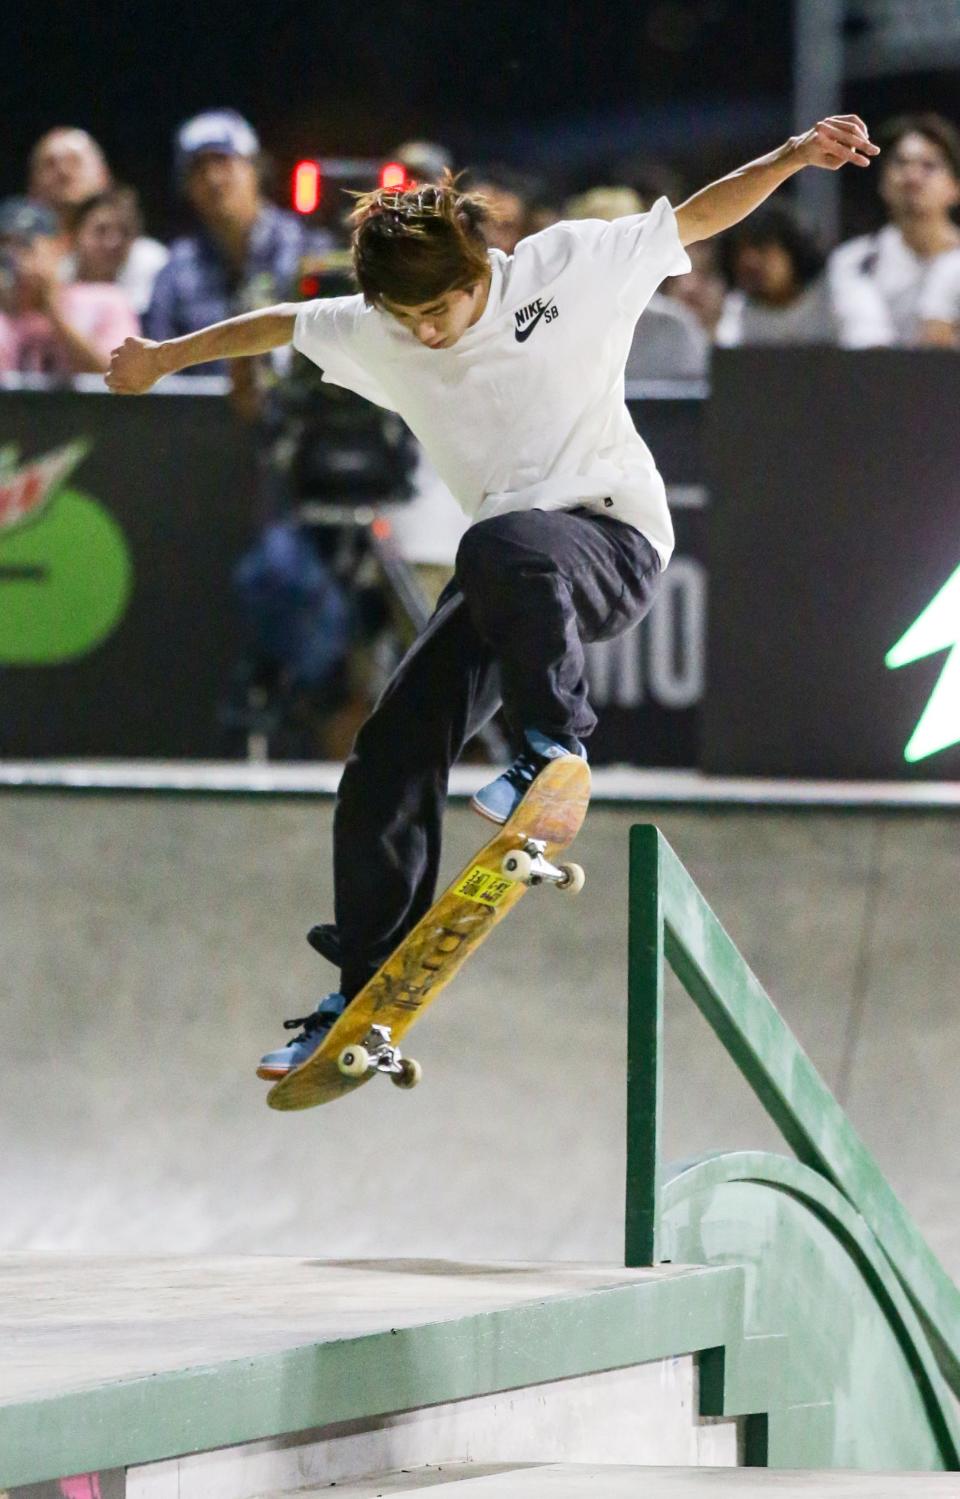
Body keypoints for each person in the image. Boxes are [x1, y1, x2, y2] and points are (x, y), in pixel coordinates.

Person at [106, 113, 879, 1078]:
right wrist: (159, 359)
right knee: (387, 752)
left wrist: (794, 156)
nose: (425, 333)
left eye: (441, 311)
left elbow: (696, 219)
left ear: (481, 269)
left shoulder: (567, 267)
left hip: (612, 541)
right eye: (408, 319)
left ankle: (555, 746)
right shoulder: (383, 326)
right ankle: (365, 985)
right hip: (505, 573)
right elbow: (277, 325)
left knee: (503, 540)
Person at [143, 109, 329, 377]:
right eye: (198, 168)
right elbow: (157, 363)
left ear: (254, 168)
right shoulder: (174, 271)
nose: (213, 179)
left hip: (299, 414)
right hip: (199, 417)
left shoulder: (308, 250)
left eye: (223, 161)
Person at [828, 112, 960, 346]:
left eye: (929, 165)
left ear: (955, 187)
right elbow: (867, 347)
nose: (912, 177)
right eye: (901, 163)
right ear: (883, 184)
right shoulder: (854, 262)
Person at [565, 185, 708, 378]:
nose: (613, 257)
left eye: (625, 244)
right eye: (599, 246)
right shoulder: (554, 322)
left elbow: (697, 400)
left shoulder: (672, 326)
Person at [28, 126, 168, 314]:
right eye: (49, 164)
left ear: (104, 174)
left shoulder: (150, 261)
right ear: (32, 186)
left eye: (74, 161)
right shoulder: (23, 263)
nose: (63, 172)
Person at [715, 200, 891, 347]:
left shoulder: (841, 287)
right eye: (739, 252)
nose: (749, 262)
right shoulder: (737, 309)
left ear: (792, 248)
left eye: (762, 247)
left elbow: (874, 353)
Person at [0, 197, 138, 376]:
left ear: (59, 247)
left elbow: (122, 377)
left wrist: (54, 313)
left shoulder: (106, 301)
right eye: (5, 246)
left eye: (25, 245)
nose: (14, 257)